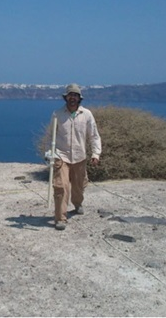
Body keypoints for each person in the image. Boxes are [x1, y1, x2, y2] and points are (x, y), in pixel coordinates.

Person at [49, 83, 102, 231]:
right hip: (61, 156)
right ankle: (60, 218)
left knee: (79, 186)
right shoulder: (57, 114)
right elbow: (52, 136)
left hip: (80, 156)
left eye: (75, 95)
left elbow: (94, 136)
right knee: (61, 187)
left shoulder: (86, 114)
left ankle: (78, 203)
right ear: (66, 97)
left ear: (79, 98)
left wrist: (96, 153)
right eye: (70, 95)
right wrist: (51, 154)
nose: (72, 98)